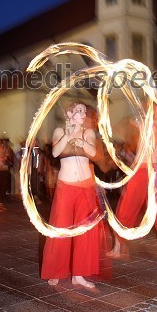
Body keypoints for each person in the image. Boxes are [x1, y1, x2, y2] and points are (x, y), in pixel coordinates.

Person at [41, 100, 108, 288]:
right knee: (60, 228)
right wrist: (69, 135)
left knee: (85, 231)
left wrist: (82, 142)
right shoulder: (59, 131)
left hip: (85, 187)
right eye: (79, 111)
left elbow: (94, 152)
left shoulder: (88, 133)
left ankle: (79, 274)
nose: (83, 114)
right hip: (66, 186)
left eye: (84, 111)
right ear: (69, 114)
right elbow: (55, 153)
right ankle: (55, 271)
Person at [107, 101, 157, 266]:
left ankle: (118, 248)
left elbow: (130, 129)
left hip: (143, 169)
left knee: (127, 206)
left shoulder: (146, 124)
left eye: (152, 107)